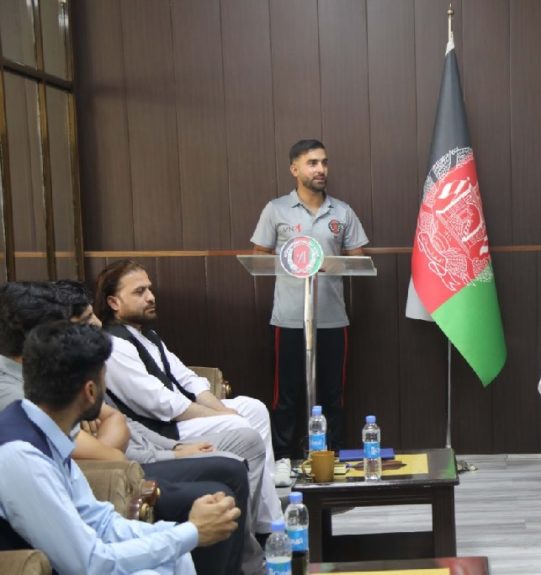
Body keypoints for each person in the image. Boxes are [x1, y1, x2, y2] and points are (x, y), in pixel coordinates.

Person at [0, 281, 253, 574]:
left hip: (88, 559)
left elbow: (102, 523)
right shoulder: (22, 456)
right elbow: (89, 563)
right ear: (90, 392)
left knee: (170, 560)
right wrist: (191, 532)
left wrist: (184, 533)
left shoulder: (47, 429)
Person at [92, 261, 284, 531]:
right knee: (237, 424)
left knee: (254, 409)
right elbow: (161, 403)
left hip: (176, 417)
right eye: (139, 292)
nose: (151, 297)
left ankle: (266, 516)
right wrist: (220, 416)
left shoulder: (147, 335)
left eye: (149, 289)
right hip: (160, 429)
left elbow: (187, 379)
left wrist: (220, 409)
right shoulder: (114, 344)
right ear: (113, 302)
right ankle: (253, 529)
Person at [251, 139, 369, 459]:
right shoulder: (276, 209)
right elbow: (259, 256)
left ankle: (331, 457)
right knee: (286, 396)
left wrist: (331, 264)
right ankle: (284, 460)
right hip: (289, 318)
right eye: (312, 163)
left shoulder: (341, 211)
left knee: (333, 395)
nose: (321, 169)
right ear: (295, 169)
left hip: (332, 318)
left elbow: (359, 259)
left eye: (324, 162)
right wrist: (294, 261)